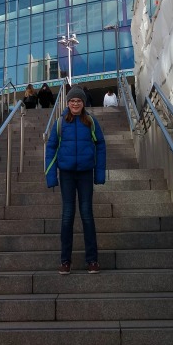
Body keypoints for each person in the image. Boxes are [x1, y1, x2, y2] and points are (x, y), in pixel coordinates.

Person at [45, 86, 106, 275]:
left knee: (87, 215)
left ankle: (92, 260)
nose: (75, 103)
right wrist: (50, 175)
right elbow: (51, 148)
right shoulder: (60, 123)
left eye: (78, 101)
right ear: (68, 103)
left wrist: (100, 173)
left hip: (86, 174)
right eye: (72, 101)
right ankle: (65, 261)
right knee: (67, 216)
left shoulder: (91, 122)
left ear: (83, 103)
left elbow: (101, 146)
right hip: (67, 175)